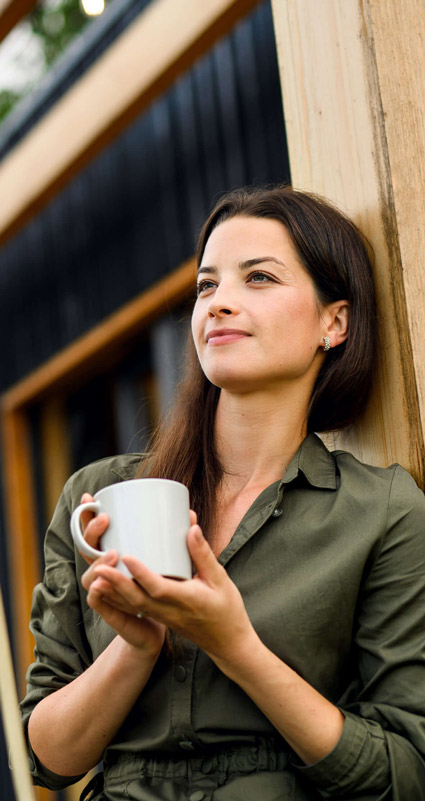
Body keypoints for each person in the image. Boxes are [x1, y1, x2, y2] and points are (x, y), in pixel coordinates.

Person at [21, 185, 425, 801]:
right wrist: (136, 645)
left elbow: (405, 775)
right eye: (207, 285)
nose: (220, 303)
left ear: (333, 322)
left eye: (258, 278)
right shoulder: (101, 494)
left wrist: (233, 644)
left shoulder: (382, 512)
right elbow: (48, 757)